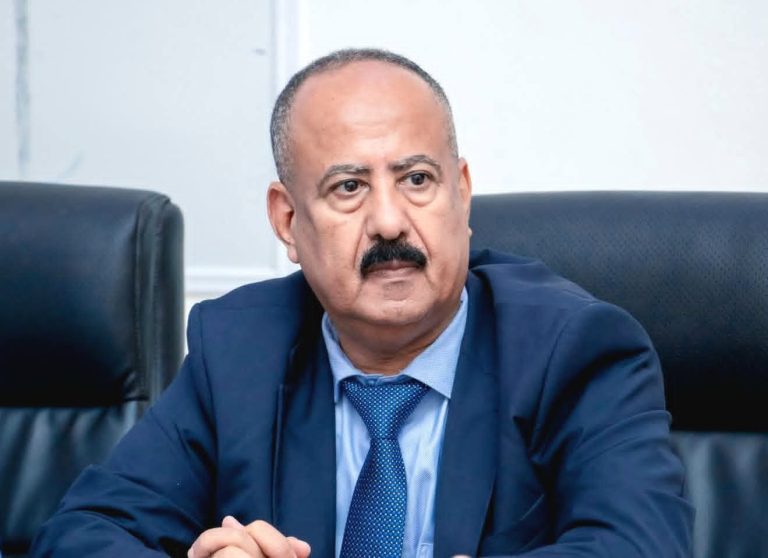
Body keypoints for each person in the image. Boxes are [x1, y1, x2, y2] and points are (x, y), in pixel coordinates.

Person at [32, 49, 693, 558]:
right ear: (288, 221)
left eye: (417, 179)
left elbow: (644, 548)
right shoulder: (238, 350)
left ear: (462, 194)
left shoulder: (574, 350)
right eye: (348, 187)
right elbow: (84, 533)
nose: (389, 221)